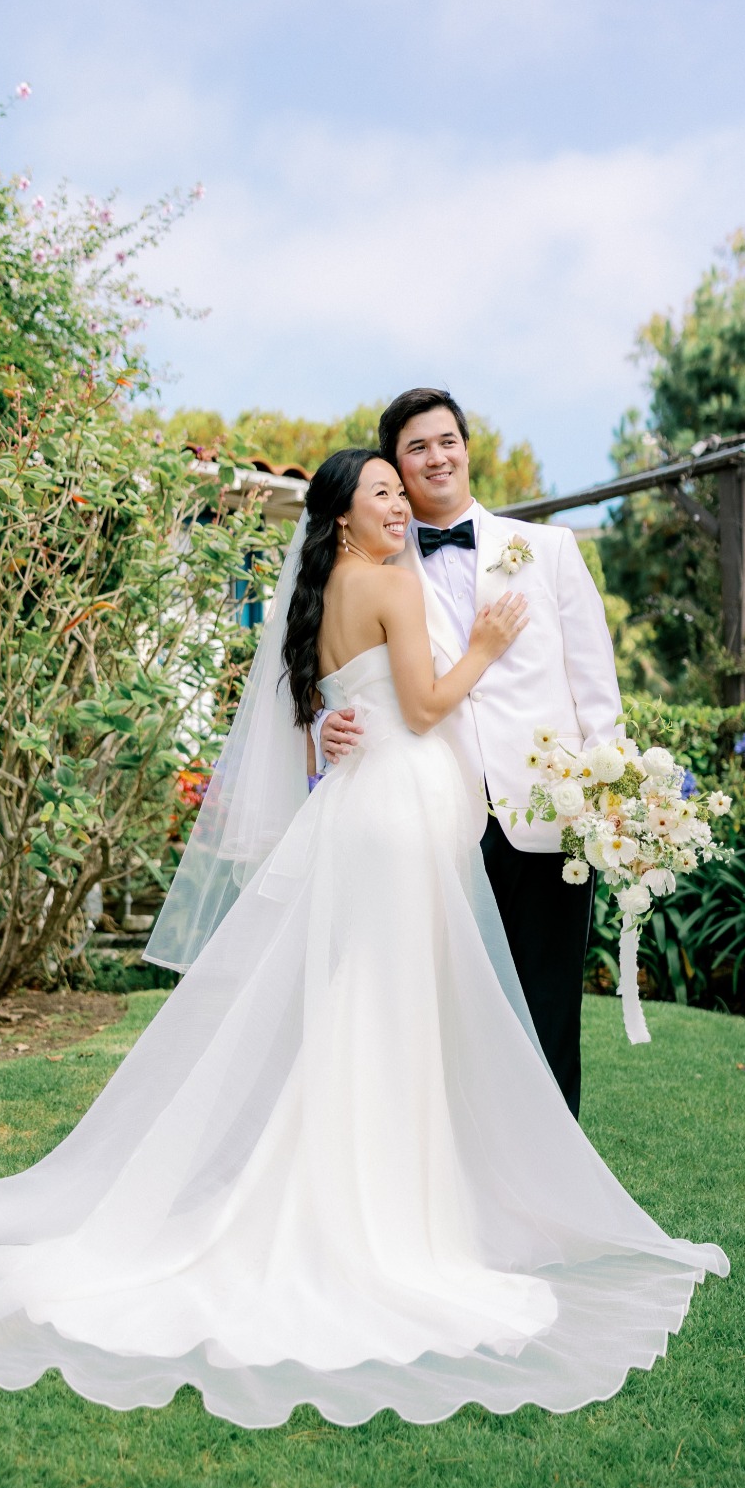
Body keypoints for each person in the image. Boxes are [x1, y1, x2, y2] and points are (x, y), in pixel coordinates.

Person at [0, 448, 727, 1428]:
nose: (403, 503)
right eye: (385, 493)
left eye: (405, 490)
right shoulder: (387, 582)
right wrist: (483, 644)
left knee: (364, 1011)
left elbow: (327, 711)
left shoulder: (324, 592)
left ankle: (377, 1201)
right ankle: (372, 1222)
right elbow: (431, 703)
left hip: (370, 815)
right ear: (347, 518)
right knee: (385, 1016)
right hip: (393, 826)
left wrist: (339, 731)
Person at [315, 390, 620, 1117]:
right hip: (433, 821)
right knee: (444, 1022)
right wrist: (322, 727)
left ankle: (554, 1200)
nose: (436, 457)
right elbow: (339, 669)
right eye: (416, 448)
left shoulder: (548, 550)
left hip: (549, 816)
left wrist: (608, 796)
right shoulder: (377, 565)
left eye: (446, 440)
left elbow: (595, 685)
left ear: (467, 448)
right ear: (396, 466)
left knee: (548, 1016)